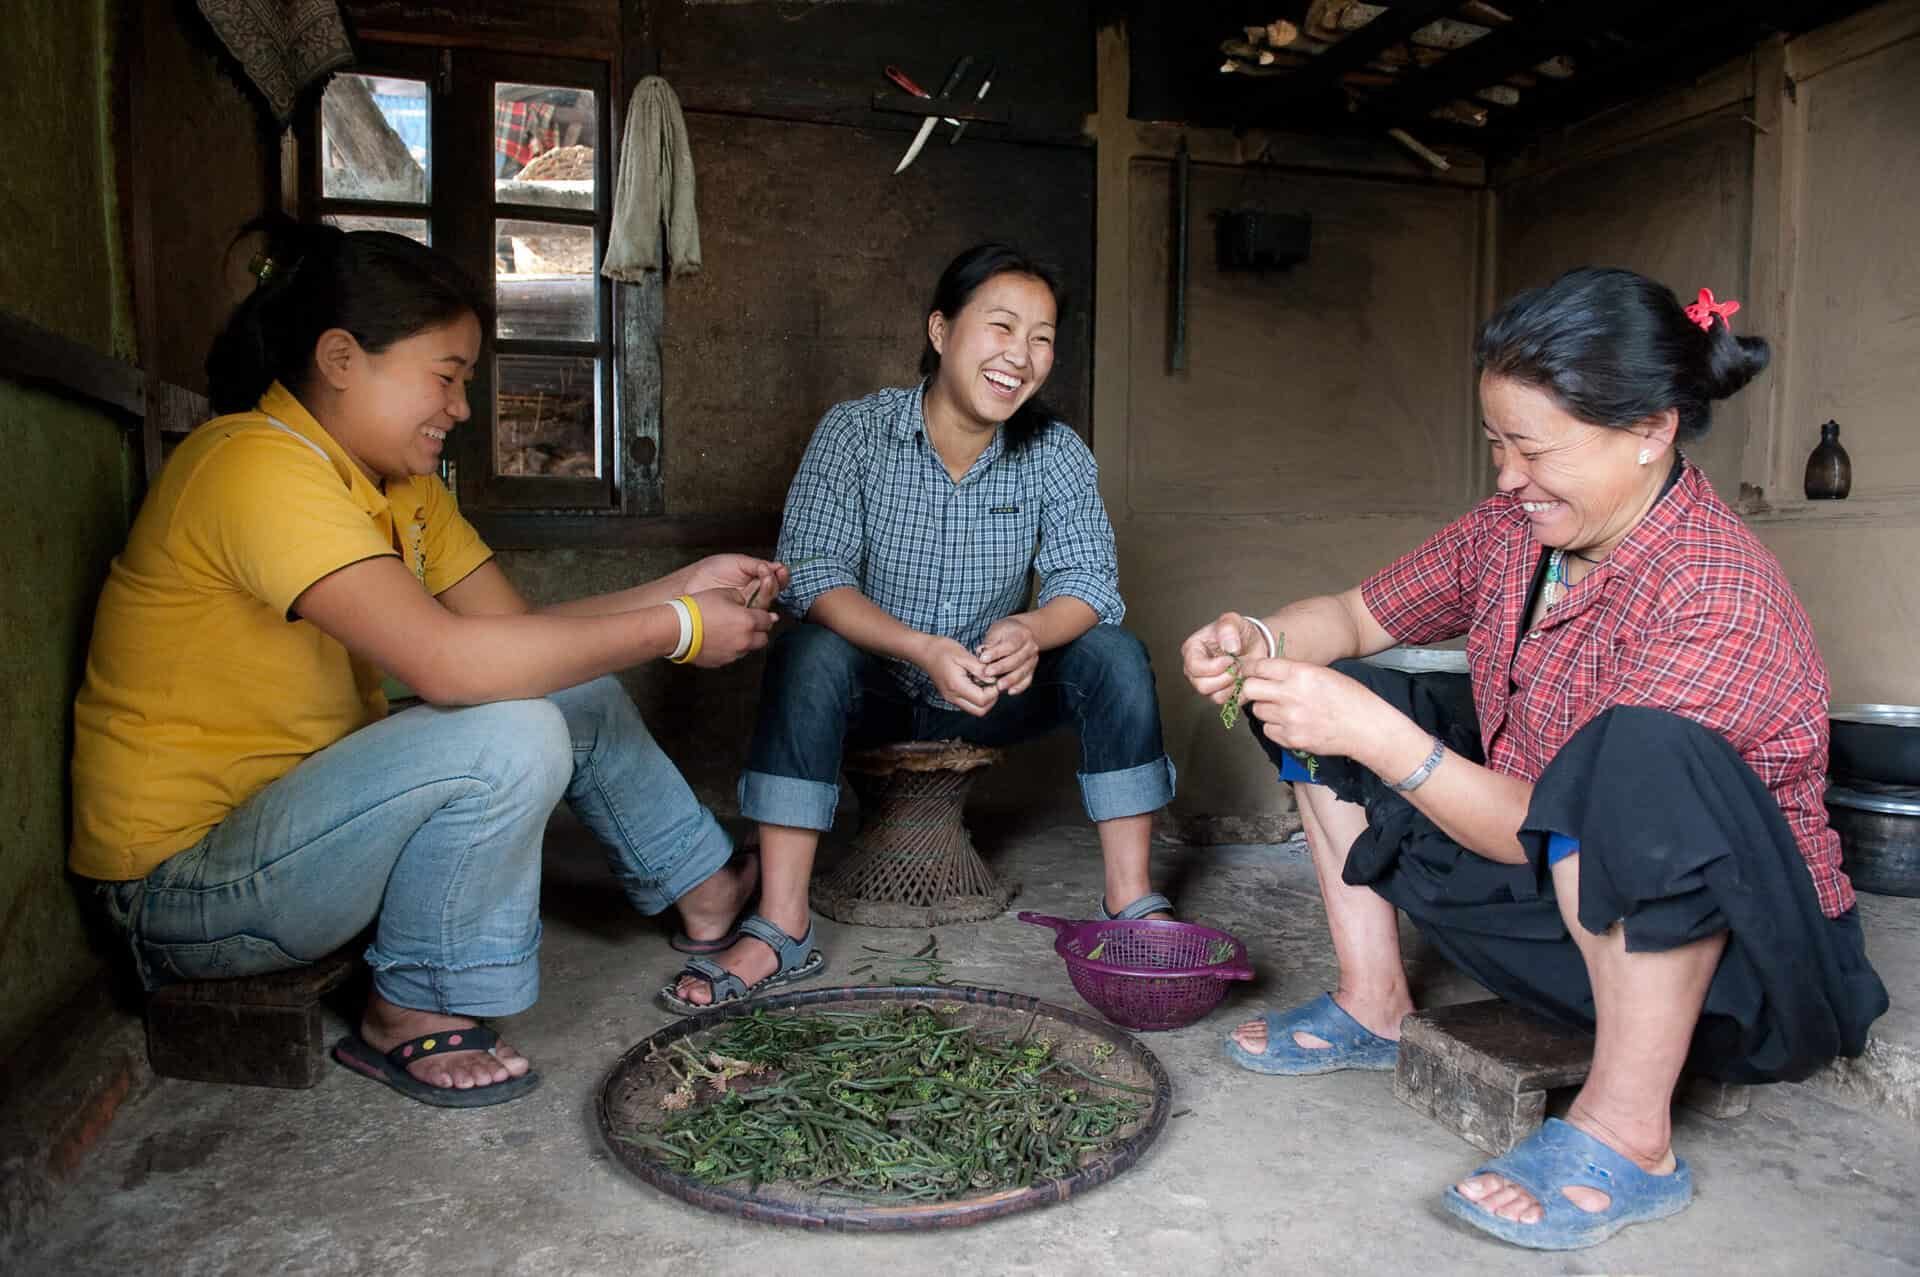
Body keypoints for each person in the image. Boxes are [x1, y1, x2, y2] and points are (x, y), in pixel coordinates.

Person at [1181, 268, 1887, 1250]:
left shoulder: (1716, 592)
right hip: (1568, 916)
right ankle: (1374, 999)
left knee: (1631, 756)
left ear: (1651, 427)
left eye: (1534, 447)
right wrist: (1256, 639)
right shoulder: (1516, 534)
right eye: (1497, 443)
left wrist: (1382, 739)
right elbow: (1349, 615)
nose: (1509, 475)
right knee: (1313, 699)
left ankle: (1630, 1135)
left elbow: (1564, 817)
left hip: (1752, 978)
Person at [71, 218, 781, 1107]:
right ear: (340, 358)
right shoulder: (252, 467)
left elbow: (518, 640)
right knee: (511, 734)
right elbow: (451, 667)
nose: (461, 408)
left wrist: (683, 586)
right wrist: (675, 627)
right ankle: (411, 1010)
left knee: (569, 694)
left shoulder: (393, 488)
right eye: (445, 378)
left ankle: (706, 891)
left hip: (304, 836)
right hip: (189, 893)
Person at [661, 243, 1177, 1013]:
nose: (1021, 356)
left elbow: (1088, 585)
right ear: (941, 330)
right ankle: (782, 923)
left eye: (1041, 339)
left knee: (1113, 653)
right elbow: (815, 573)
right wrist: (918, 648)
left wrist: (1032, 629)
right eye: (1000, 327)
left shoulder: (1055, 452)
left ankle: (1131, 905)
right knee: (810, 649)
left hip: (991, 690)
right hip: (873, 684)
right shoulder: (855, 433)